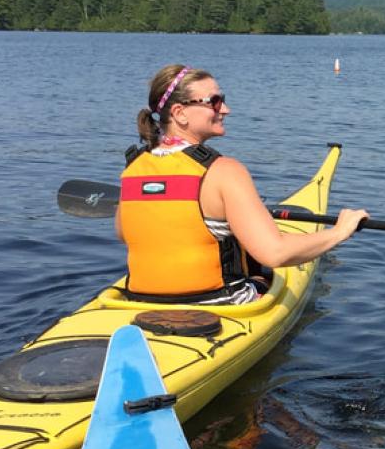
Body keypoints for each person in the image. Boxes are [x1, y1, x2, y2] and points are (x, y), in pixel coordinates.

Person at [114, 63, 368, 304]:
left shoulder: (134, 167)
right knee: (262, 272)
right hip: (217, 304)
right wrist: (338, 232)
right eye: (214, 102)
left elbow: (124, 233)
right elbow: (275, 253)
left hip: (140, 301)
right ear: (180, 113)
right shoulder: (224, 171)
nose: (225, 109)